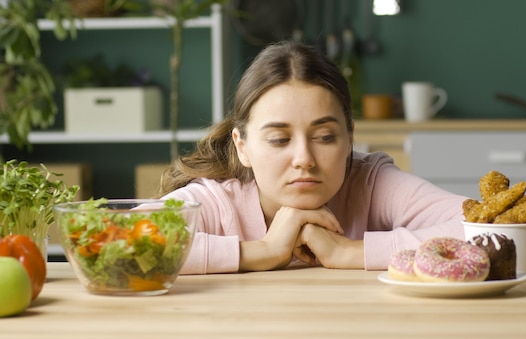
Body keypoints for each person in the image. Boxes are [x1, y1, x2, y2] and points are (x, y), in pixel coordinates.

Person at [158, 41, 467, 274]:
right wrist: (262, 251)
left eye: (325, 137)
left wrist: (349, 253)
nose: (304, 159)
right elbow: (113, 244)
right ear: (242, 147)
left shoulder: (372, 183)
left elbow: (490, 230)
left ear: (349, 139)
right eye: (279, 139)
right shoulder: (215, 202)